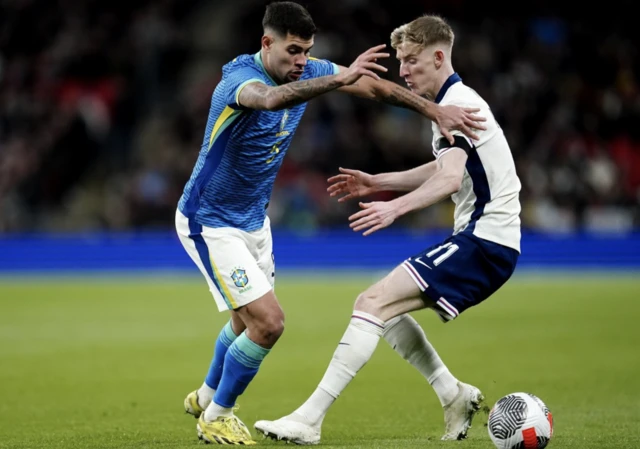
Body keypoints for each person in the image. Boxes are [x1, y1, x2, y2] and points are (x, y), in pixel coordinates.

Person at [175, 2, 486, 444]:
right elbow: (268, 100)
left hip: (253, 222)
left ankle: (207, 394)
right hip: (209, 220)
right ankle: (218, 416)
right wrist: (337, 79)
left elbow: (375, 88)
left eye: (307, 52)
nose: (301, 62)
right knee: (268, 323)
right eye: (293, 51)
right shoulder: (239, 80)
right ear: (267, 43)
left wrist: (432, 111)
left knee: (246, 323)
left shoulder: (308, 69)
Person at [254, 13, 521, 444]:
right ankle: (453, 394)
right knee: (387, 313)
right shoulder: (450, 104)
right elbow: (447, 166)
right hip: (483, 241)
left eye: (411, 60)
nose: (403, 71)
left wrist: (394, 207)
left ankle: (309, 420)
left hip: (485, 241)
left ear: (438, 57)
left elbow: (451, 179)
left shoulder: (461, 104)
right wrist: (379, 181)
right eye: (400, 60)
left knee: (370, 302)